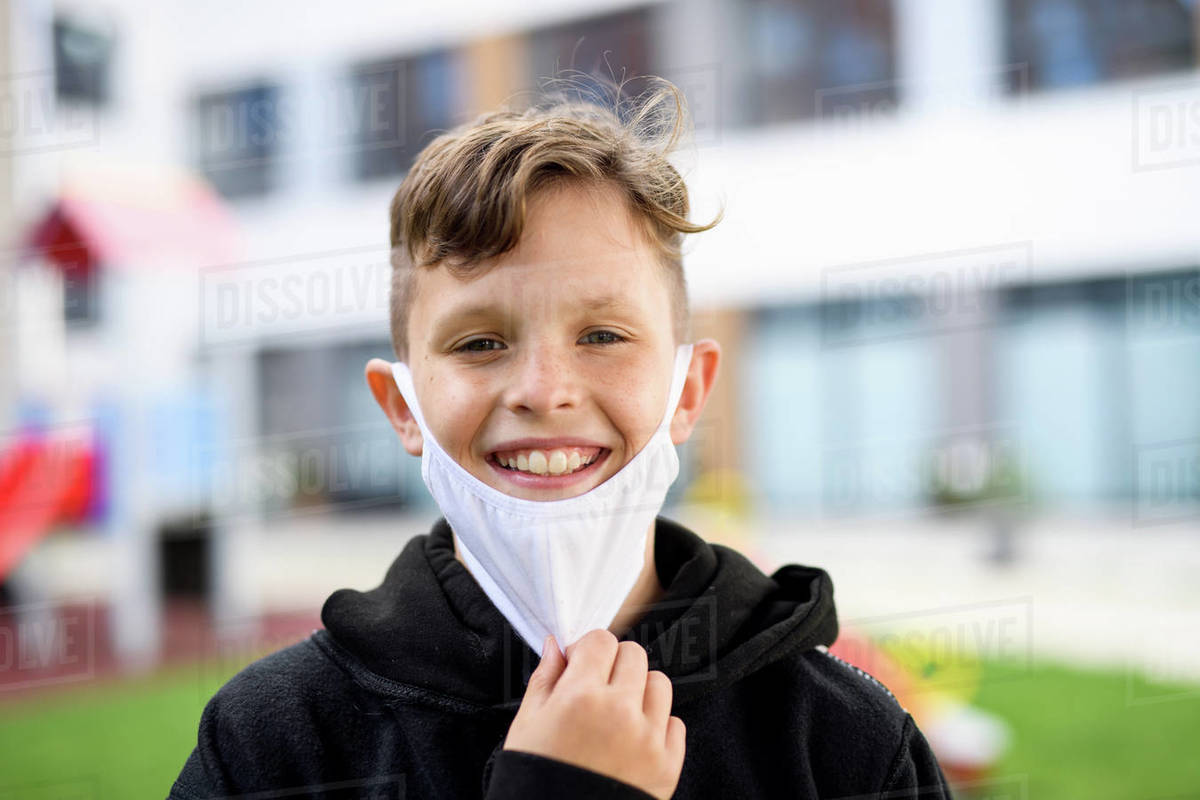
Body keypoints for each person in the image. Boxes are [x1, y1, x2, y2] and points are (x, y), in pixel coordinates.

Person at [168, 77, 952, 800]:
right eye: (480, 343)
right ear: (403, 407)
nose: (544, 391)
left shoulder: (847, 744)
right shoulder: (269, 743)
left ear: (687, 391)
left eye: (603, 335)